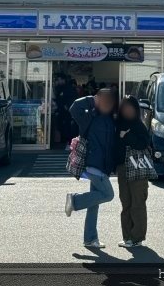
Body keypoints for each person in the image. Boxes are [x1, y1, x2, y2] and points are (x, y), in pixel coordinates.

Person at [65, 88, 116, 248]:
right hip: (93, 164)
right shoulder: (89, 116)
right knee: (108, 194)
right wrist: (92, 99)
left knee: (95, 202)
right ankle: (74, 200)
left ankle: (90, 238)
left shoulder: (110, 118)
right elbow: (74, 107)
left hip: (103, 166)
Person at [115, 95, 150, 248]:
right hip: (122, 168)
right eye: (124, 107)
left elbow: (144, 144)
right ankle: (127, 237)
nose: (127, 110)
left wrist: (127, 136)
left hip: (138, 168)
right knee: (126, 204)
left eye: (130, 107)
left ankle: (137, 238)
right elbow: (114, 146)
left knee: (138, 203)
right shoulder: (118, 124)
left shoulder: (139, 125)